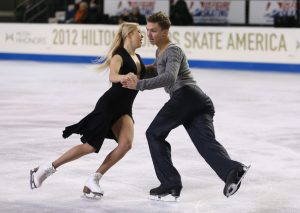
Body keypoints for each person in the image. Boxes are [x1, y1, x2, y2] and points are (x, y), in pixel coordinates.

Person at [122, 12, 249, 201]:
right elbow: (155, 70)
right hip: (197, 101)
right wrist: (133, 68)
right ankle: (233, 169)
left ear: (165, 31)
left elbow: (169, 77)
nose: (149, 35)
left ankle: (170, 183)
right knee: (205, 143)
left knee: (154, 133)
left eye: (154, 31)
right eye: (147, 30)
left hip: (186, 97)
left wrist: (139, 85)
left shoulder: (173, 51)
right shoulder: (161, 52)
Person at [30, 22, 145, 199]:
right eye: (139, 32)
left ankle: (93, 179)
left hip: (124, 108)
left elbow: (144, 74)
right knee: (90, 146)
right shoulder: (118, 55)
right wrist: (124, 77)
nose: (142, 35)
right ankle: (46, 169)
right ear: (129, 34)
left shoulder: (136, 56)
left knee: (126, 144)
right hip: (109, 105)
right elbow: (112, 76)